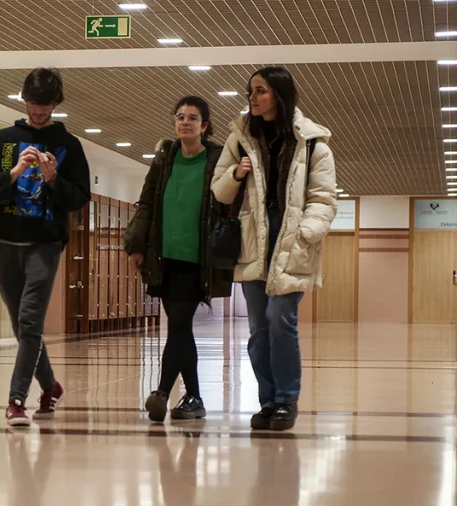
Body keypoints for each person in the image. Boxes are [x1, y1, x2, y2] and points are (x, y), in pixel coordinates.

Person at [212, 66, 337, 431]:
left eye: (260, 90)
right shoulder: (240, 138)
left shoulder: (313, 142)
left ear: (279, 95)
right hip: (253, 241)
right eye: (250, 90)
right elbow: (218, 190)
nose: (252, 97)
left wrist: (305, 233)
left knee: (280, 320)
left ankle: (287, 399)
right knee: (258, 330)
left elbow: (323, 197)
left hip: (291, 240)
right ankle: (267, 401)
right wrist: (236, 174)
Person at [0, 67, 91, 427]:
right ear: (23, 100)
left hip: (45, 242)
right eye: (34, 105)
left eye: (46, 106)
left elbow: (78, 199)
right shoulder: (4, 139)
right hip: (5, 240)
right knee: (23, 327)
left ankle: (16, 400)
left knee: (29, 320)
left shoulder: (69, 145)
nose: (39, 112)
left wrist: (53, 178)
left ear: (57, 103)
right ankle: (51, 386)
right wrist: (14, 172)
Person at [124, 96, 233, 423]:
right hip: (164, 257)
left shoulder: (215, 160)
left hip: (197, 258)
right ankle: (195, 398)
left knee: (180, 324)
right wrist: (135, 244)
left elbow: (228, 201)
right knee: (181, 328)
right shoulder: (163, 160)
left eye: (193, 118)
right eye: (180, 117)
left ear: (205, 125)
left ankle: (161, 391)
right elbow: (146, 205)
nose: (185, 122)